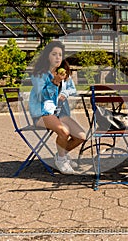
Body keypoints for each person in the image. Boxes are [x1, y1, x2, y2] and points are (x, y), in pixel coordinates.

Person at [29, 40, 86, 175]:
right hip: (43, 114)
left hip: (60, 113)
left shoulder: (64, 74)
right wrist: (55, 82)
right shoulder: (39, 75)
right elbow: (41, 96)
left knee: (81, 136)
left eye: (60, 55)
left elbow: (73, 89)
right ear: (47, 56)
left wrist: (65, 92)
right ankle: (61, 160)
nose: (57, 57)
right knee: (64, 131)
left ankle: (61, 154)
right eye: (54, 54)